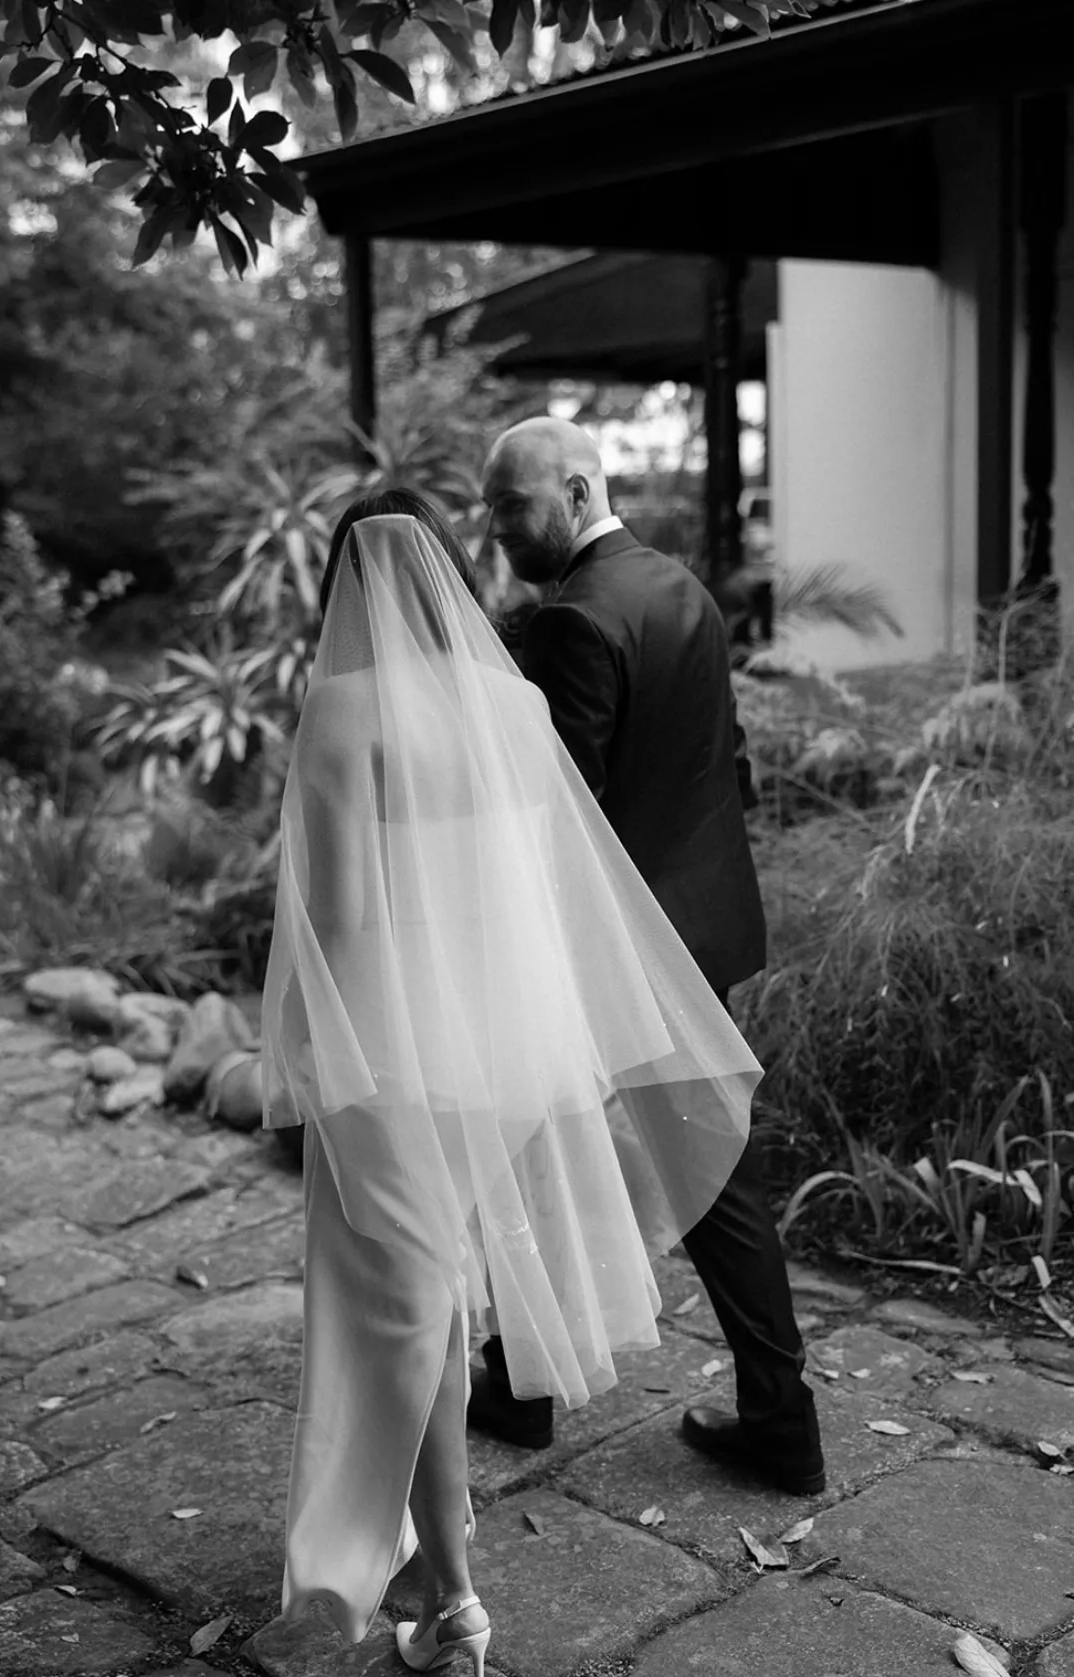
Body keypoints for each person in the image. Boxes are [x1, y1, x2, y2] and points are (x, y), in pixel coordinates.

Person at [262, 487, 762, 1663]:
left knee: (408, 1310)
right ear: (447, 574)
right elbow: (539, 891)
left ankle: (452, 1598)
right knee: (433, 1302)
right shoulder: (513, 700)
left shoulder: (341, 712)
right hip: (503, 1049)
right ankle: (427, 1570)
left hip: (390, 1055)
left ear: (350, 587)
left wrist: (305, 1039)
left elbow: (332, 914)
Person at [477, 418, 825, 1497]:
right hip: (695, 929)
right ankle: (528, 1382)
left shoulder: (573, 621)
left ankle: (777, 1422)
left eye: (514, 506)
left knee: (663, 1172)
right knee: (649, 1163)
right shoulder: (682, 589)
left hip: (614, 954)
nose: (497, 530)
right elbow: (726, 762)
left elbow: (557, 822)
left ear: (577, 491)